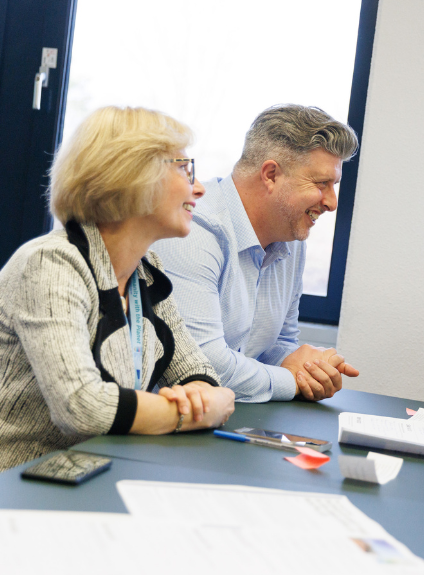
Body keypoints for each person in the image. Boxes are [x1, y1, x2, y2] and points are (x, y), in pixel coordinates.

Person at [0, 107, 235, 504]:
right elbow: (81, 406)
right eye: (184, 168)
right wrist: (190, 412)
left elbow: (197, 372)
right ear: (132, 175)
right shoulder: (50, 263)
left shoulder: (146, 272)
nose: (198, 188)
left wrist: (205, 395)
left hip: (61, 482)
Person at [154, 105, 359, 403]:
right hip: (171, 422)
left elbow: (279, 344)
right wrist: (291, 380)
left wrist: (311, 370)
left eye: (334, 185)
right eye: (321, 184)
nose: (332, 202)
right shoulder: (193, 228)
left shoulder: (291, 237)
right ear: (271, 175)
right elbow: (204, 365)